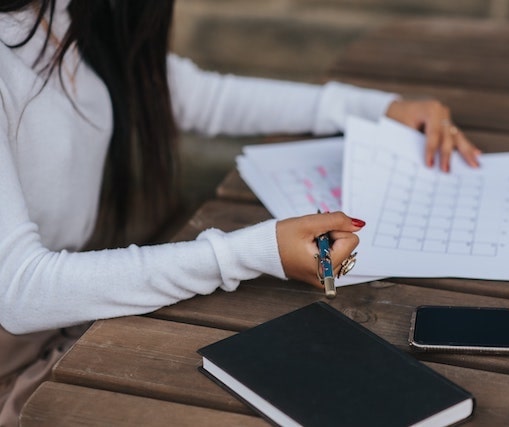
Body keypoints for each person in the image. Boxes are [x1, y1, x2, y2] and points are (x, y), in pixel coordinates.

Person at [0, 0, 480, 424]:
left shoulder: (66, 13)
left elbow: (201, 97)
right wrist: (248, 254)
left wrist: (379, 109)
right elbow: (21, 290)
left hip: (75, 323)